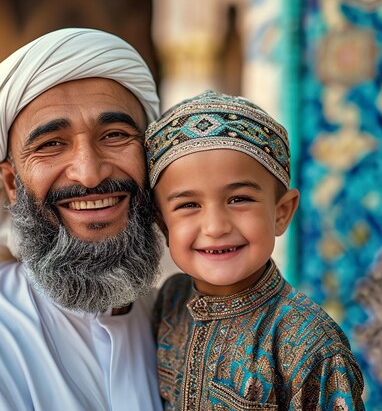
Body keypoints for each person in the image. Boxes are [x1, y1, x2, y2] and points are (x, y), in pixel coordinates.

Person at [0, 28, 165, 411]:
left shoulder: (174, 319)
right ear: (11, 183)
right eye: (51, 144)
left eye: (115, 135)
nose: (89, 173)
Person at [147, 91, 365, 410]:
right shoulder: (170, 301)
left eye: (239, 200)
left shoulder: (310, 342)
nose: (215, 226)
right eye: (189, 205)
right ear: (163, 225)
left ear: (281, 212)